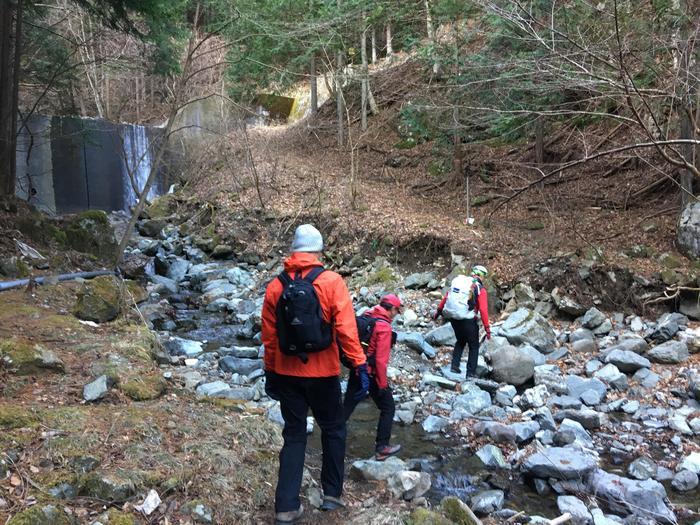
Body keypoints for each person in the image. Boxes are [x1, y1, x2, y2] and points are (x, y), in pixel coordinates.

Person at [262, 224, 370, 525]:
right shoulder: (332, 282)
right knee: (334, 429)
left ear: (294, 250)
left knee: (294, 435)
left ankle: (286, 506)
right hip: (323, 373)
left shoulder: (275, 286)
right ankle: (332, 494)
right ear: (319, 251)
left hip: (286, 373)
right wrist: (359, 365)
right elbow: (347, 330)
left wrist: (271, 372)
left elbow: (269, 337)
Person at [343, 294, 403, 461]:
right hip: (371, 374)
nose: (396, 314)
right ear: (390, 309)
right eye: (396, 310)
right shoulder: (384, 327)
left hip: (357, 369)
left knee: (347, 406)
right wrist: (383, 385)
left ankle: (331, 438)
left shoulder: (367, 316)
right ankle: (382, 447)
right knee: (388, 407)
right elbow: (380, 361)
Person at [435, 265, 491, 378]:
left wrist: (438, 312)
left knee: (460, 341)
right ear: (481, 276)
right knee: (474, 346)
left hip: (454, 318)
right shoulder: (480, 288)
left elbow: (446, 297)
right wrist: (487, 328)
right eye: (484, 276)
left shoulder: (460, 283)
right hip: (468, 320)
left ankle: (454, 366)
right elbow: (483, 310)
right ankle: (470, 373)